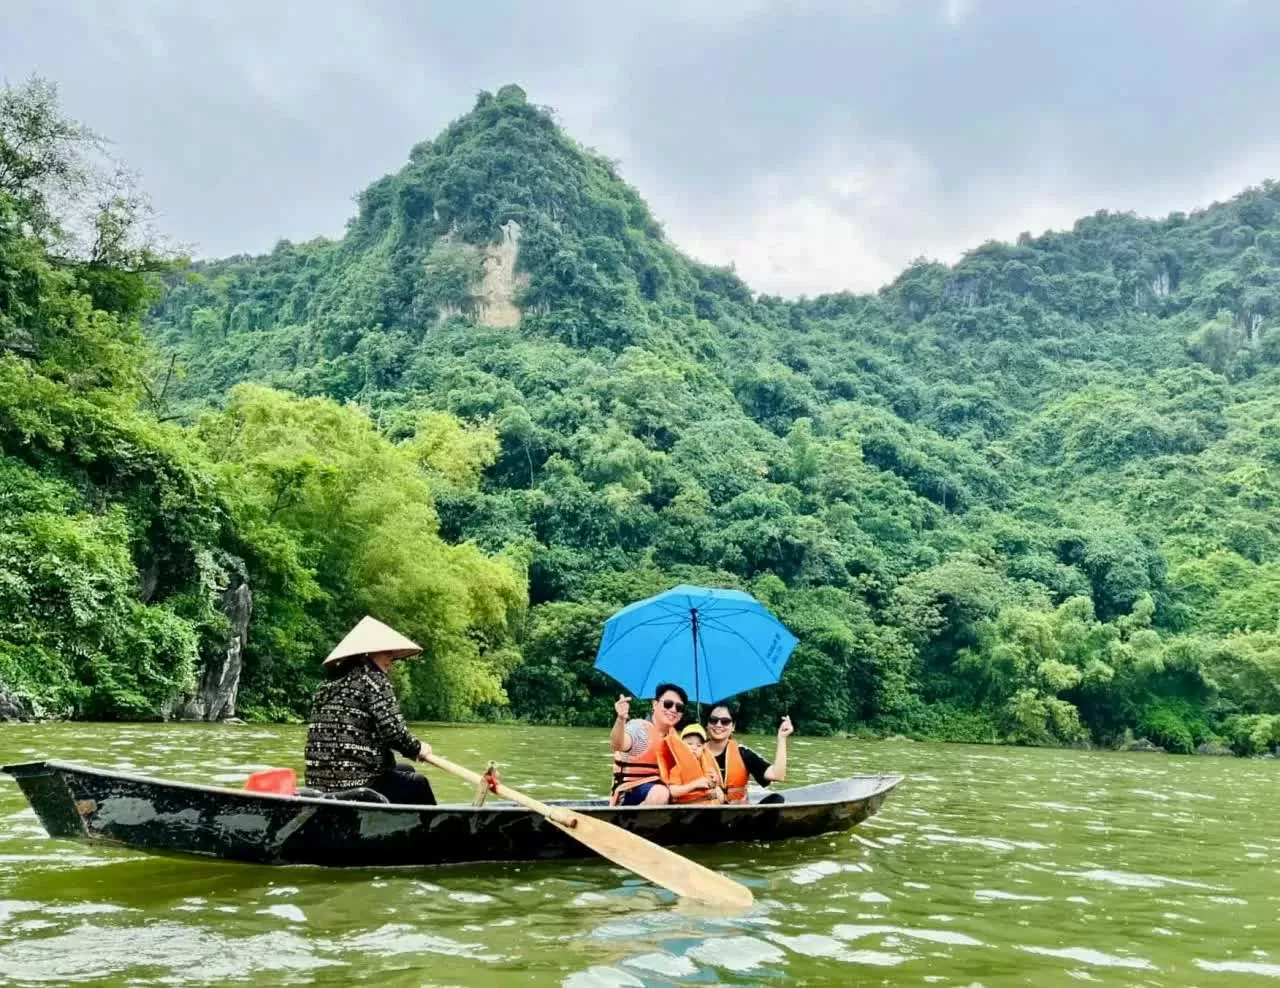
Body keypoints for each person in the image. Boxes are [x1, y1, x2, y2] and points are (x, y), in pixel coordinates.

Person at [304, 615, 436, 805]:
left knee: (405, 770)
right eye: (385, 652)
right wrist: (418, 748)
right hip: (355, 782)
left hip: (320, 783)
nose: (391, 659)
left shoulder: (327, 685)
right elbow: (394, 733)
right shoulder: (373, 680)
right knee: (418, 784)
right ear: (366, 654)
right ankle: (433, 832)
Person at [609, 683, 688, 805]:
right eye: (668, 704)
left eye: (679, 707)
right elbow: (618, 744)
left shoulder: (676, 740)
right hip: (631, 793)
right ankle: (637, 823)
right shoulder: (638, 729)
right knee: (661, 792)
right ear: (655, 704)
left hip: (664, 793)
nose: (673, 710)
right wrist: (620, 719)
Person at [703, 704, 793, 803]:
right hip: (704, 810)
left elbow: (777, 775)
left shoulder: (743, 753)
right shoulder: (694, 752)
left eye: (725, 722)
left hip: (738, 813)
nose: (718, 725)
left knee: (777, 799)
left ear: (733, 727)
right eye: (713, 720)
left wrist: (782, 738)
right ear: (707, 725)